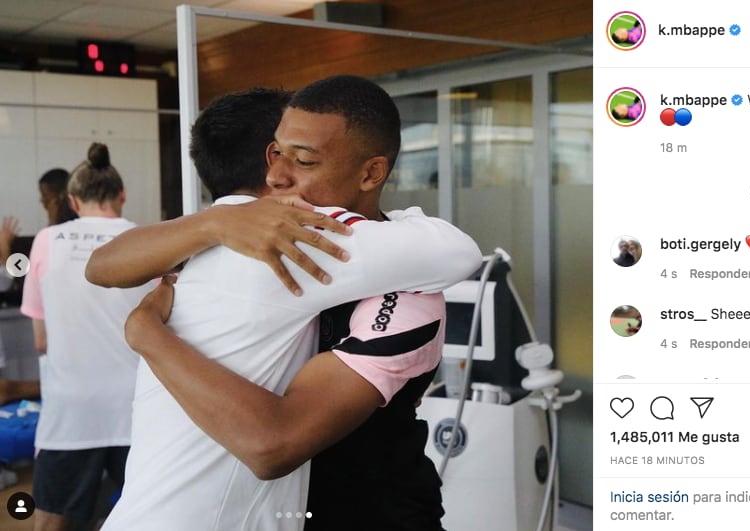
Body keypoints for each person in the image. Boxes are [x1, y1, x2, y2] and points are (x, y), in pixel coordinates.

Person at [93, 80, 480, 530]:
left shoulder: (329, 245)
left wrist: (147, 334)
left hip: (375, 513)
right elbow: (103, 264)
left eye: (304, 160)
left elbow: (272, 443)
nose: (277, 177)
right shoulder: (240, 237)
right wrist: (216, 224)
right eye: (275, 154)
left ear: (371, 173)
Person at [20, 143, 154, 531]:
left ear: (73, 201)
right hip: (138, 409)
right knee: (147, 515)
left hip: (71, 412)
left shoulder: (46, 241)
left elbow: (41, 340)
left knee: (51, 519)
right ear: (122, 196)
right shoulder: (150, 241)